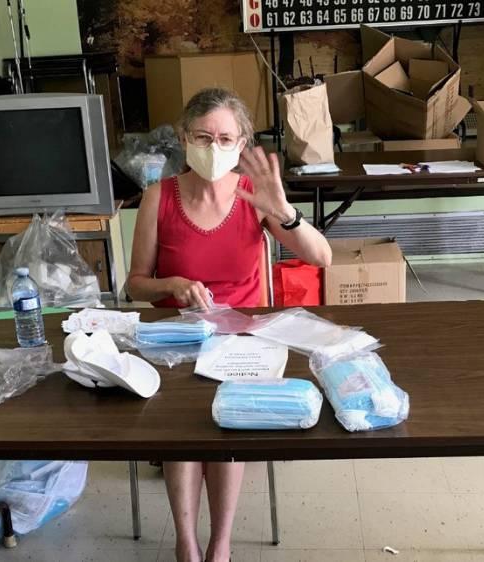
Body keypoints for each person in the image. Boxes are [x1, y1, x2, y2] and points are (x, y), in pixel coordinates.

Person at [127, 87, 332, 562]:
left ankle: (220, 545)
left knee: (226, 424)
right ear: (184, 138)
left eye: (226, 138)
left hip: (243, 339)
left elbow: (321, 257)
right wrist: (172, 284)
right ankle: (186, 543)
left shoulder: (253, 197)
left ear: (241, 144)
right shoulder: (159, 198)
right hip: (177, 339)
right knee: (182, 425)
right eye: (203, 136)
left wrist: (284, 212)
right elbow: (136, 285)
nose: (215, 148)